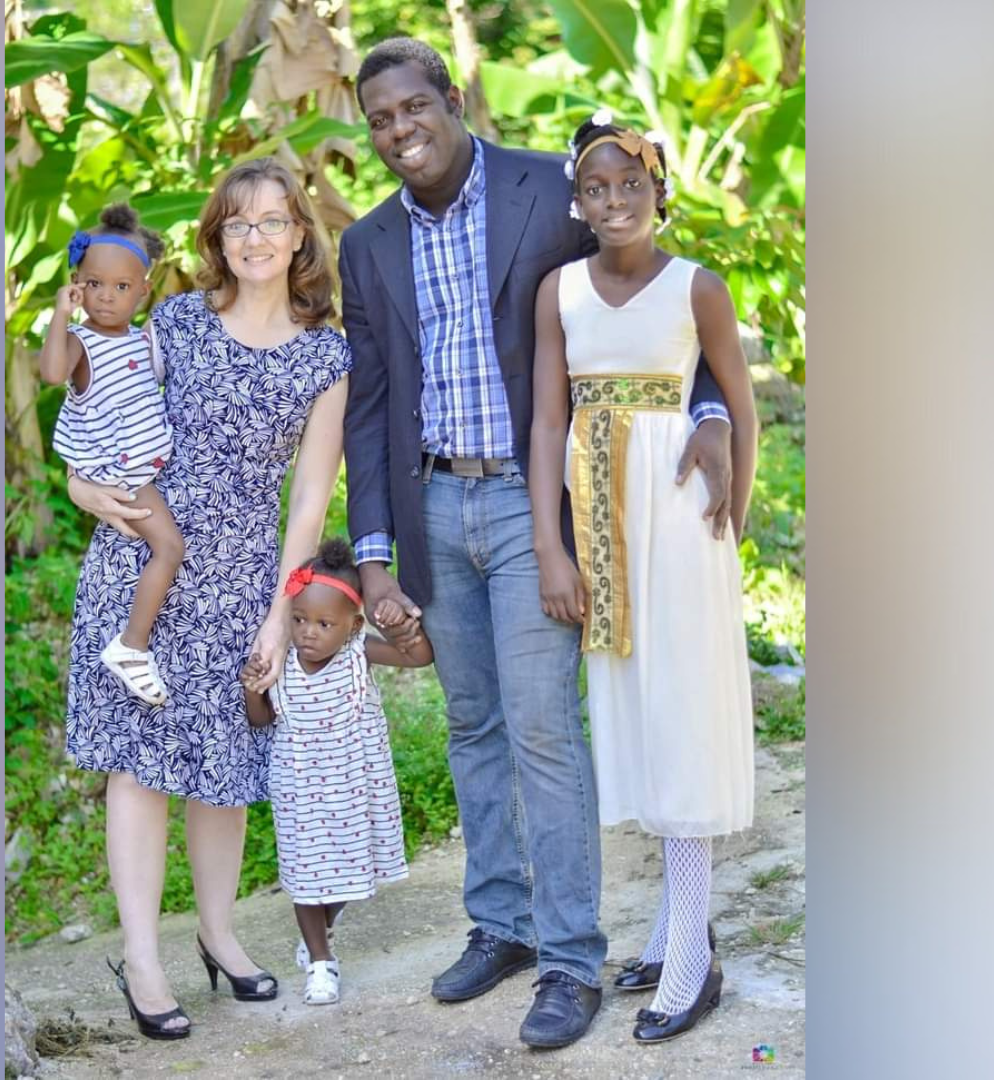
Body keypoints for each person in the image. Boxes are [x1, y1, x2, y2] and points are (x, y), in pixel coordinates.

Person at [337, 38, 740, 1050]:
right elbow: (372, 403)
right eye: (380, 119)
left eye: (412, 107)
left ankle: (569, 957)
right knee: (472, 726)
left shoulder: (545, 191)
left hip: (535, 503)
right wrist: (374, 553)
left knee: (543, 727)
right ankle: (502, 924)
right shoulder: (369, 242)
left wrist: (712, 414)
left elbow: (644, 290)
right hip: (432, 501)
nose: (400, 131)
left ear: (450, 99)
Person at [64, 158, 353, 1040]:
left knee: (224, 769)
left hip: (241, 578)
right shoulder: (178, 321)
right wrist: (79, 482)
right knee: (143, 766)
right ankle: (144, 958)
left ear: (300, 233)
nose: (256, 238)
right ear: (217, 239)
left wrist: (279, 608)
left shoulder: (327, 351)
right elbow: (100, 402)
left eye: (273, 221)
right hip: (143, 559)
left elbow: (310, 496)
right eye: (238, 224)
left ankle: (220, 936)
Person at [528, 114, 759, 1044]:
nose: (616, 202)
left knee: (684, 713)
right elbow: (549, 423)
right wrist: (552, 546)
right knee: (636, 709)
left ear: (659, 190)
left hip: (679, 517)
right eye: (598, 190)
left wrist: (730, 523)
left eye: (632, 186)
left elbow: (738, 402)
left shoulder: (698, 287)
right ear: (578, 203)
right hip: (601, 517)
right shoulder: (560, 292)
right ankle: (672, 925)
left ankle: (694, 956)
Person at [238, 538, 433, 1006]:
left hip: (353, 791)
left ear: (352, 626)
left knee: (347, 873)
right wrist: (251, 688)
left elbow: (419, 657)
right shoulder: (280, 662)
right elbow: (263, 719)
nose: (308, 632)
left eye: (325, 624)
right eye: (300, 620)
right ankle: (322, 963)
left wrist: (403, 626)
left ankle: (321, 929)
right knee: (307, 876)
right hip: (300, 791)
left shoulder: (357, 654)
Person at [39, 204, 182, 705]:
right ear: (78, 283)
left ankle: (134, 642)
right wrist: (61, 313)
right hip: (124, 476)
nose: (106, 296)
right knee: (169, 548)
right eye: (94, 284)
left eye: (122, 287)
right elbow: (54, 374)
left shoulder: (142, 342)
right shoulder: (81, 343)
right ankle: (131, 646)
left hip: (144, 468)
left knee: (164, 549)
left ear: (143, 291)